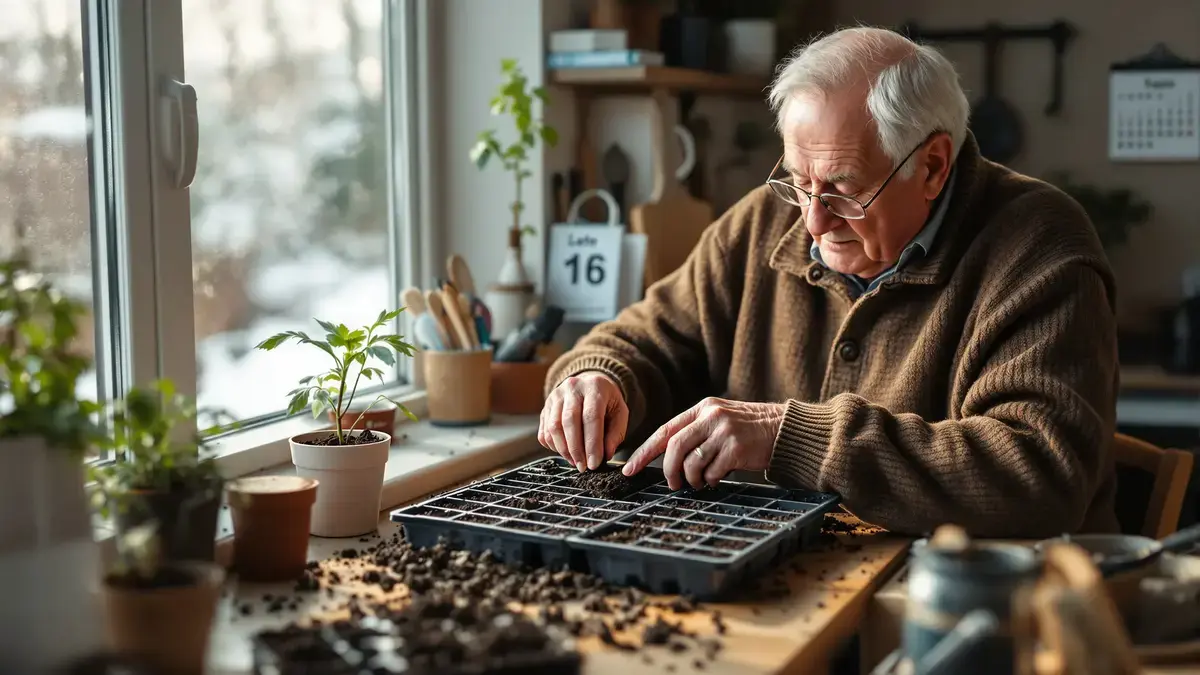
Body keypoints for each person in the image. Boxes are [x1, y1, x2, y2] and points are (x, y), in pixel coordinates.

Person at [537, 26, 1119, 537]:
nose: (812, 221)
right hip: (783, 573)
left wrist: (793, 438)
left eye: (843, 188)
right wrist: (597, 377)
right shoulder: (764, 223)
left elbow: (1041, 472)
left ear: (934, 166)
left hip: (973, 604)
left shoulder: (1040, 246)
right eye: (798, 180)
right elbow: (643, 340)